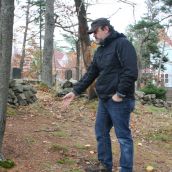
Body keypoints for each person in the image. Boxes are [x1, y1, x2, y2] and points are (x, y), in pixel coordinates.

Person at [62, 18, 138, 172]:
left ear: (106, 29)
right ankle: (105, 166)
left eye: (95, 32)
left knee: (123, 137)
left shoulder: (123, 44)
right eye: (92, 33)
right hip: (104, 100)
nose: (94, 36)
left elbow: (131, 71)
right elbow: (91, 73)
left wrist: (120, 94)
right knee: (101, 132)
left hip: (120, 100)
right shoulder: (101, 50)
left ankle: (126, 169)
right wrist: (75, 91)